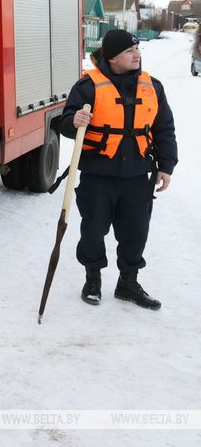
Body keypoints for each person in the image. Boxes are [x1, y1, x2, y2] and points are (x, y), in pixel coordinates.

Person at [58, 29, 177, 310]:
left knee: (136, 232)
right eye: (129, 51)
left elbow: (164, 128)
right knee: (93, 230)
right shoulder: (87, 87)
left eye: (138, 50)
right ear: (112, 57)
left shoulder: (153, 87)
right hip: (98, 175)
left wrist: (166, 165)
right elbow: (64, 123)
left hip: (137, 176)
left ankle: (128, 283)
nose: (137, 55)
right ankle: (93, 279)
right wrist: (73, 121)